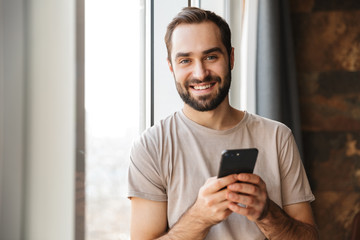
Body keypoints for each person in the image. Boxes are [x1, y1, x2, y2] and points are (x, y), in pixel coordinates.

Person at [128, 7, 319, 240]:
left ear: (231, 58)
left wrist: (266, 213)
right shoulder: (150, 147)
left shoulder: (277, 137)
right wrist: (200, 217)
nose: (200, 73)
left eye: (210, 57)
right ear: (171, 67)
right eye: (186, 60)